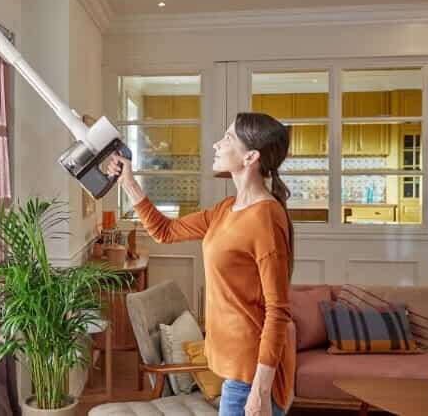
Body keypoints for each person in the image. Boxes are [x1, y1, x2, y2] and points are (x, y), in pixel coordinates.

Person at [108, 112, 296, 416]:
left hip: (249, 376)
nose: (216, 145)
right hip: (231, 369)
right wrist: (128, 183)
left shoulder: (265, 217)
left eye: (228, 138)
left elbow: (278, 312)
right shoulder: (226, 209)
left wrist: (261, 390)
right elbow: (165, 231)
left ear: (250, 156)